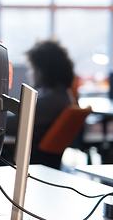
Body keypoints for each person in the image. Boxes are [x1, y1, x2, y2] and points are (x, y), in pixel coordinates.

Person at [6, 39, 75, 170]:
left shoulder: (52, 101)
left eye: (32, 69)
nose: (29, 74)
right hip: (34, 160)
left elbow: (11, 124)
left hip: (23, 162)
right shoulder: (60, 96)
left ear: (44, 71)